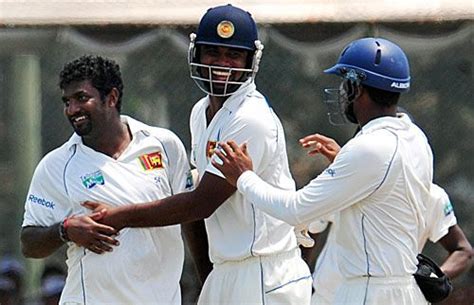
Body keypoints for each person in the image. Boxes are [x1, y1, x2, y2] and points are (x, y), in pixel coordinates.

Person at [211, 37, 474, 304]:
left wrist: (244, 177)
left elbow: (296, 210)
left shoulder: (370, 148)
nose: (342, 92)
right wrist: (345, 161)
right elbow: (385, 187)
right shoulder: (414, 137)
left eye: (344, 83)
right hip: (405, 290)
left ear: (356, 87)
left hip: (370, 293)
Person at [85, 4, 312, 305]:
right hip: (227, 270)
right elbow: (196, 203)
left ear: (250, 60)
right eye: (213, 52)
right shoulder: (200, 113)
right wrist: (211, 280)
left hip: (265, 271)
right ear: (196, 53)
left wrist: (120, 217)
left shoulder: (250, 118)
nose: (222, 63)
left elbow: (202, 203)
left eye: (233, 55)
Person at [20, 55, 192, 304]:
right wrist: (65, 230)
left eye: (81, 98)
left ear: (111, 98)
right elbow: (29, 243)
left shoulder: (163, 144)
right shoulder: (56, 165)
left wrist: (207, 276)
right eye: (66, 101)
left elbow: (189, 213)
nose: (72, 110)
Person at [298, 133, 472, 305]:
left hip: (395, 297)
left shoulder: (432, 196)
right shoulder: (352, 184)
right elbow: (310, 231)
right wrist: (301, 284)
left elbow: (463, 250)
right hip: (330, 296)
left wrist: (431, 280)